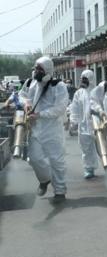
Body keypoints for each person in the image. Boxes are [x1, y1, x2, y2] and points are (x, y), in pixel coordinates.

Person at [19, 56, 69, 202]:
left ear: (47, 70)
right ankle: (44, 179)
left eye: (40, 69)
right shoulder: (30, 82)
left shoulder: (58, 86)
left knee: (56, 161)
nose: (36, 71)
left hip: (52, 129)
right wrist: (26, 102)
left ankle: (60, 191)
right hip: (35, 129)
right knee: (34, 158)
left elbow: (60, 108)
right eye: (36, 68)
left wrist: (40, 114)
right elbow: (21, 95)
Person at [70, 70, 98, 179]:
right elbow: (74, 108)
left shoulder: (97, 91)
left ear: (90, 79)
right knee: (86, 149)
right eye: (82, 79)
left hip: (98, 125)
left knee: (104, 148)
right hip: (84, 126)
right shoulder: (79, 93)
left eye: (85, 79)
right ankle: (89, 168)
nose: (82, 81)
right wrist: (73, 121)